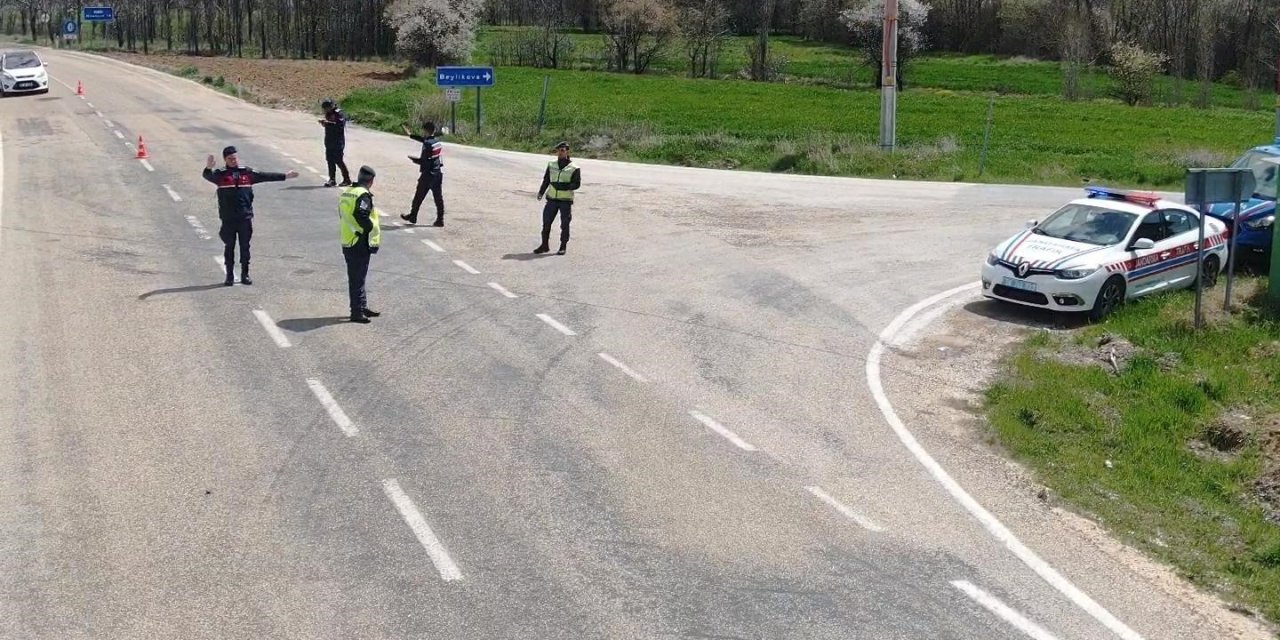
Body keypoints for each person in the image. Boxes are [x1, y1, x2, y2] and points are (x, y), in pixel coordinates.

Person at [203, 146, 298, 286]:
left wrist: (285, 176)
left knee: (245, 247)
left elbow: (265, 176)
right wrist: (208, 167)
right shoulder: (220, 175)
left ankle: (245, 274)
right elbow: (207, 176)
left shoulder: (247, 173)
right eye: (230, 159)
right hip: (228, 218)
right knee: (229, 246)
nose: (233, 161)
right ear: (225, 160)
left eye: (235, 158)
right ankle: (229, 275)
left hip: (244, 217)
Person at [339, 166, 382, 324]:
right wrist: (369, 228)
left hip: (348, 238)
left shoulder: (348, 191)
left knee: (359, 276)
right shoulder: (363, 195)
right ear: (371, 181)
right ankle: (356, 312)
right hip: (358, 240)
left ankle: (362, 306)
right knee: (357, 277)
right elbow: (361, 214)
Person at [534, 141, 581, 255]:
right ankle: (544, 245)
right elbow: (546, 180)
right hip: (552, 199)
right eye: (558, 151)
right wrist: (541, 192)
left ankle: (563, 246)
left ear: (567, 152)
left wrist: (565, 186)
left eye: (563, 150)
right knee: (546, 223)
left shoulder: (574, 168)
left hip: (565, 201)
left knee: (564, 224)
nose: (560, 153)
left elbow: (577, 184)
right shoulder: (551, 165)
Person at [400, 121, 444, 227]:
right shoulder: (436, 141)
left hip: (428, 174)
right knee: (438, 197)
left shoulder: (427, 144)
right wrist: (409, 134)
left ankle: (413, 216)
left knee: (418, 196)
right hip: (437, 173)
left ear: (426, 130)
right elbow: (422, 139)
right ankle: (440, 219)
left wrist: (414, 160)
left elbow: (424, 161)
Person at [319, 98, 352, 188]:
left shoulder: (339, 113)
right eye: (324, 108)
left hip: (338, 140)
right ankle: (332, 179)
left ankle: (347, 179)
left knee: (338, 160)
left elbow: (340, 126)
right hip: (329, 139)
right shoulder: (328, 113)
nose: (326, 110)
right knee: (329, 160)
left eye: (327, 108)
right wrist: (325, 123)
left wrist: (328, 123)